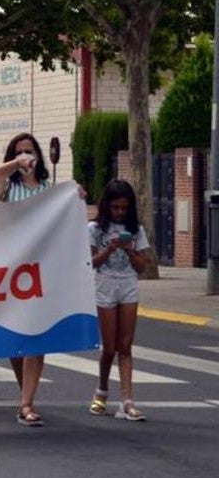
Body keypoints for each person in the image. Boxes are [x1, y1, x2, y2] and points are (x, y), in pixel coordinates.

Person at [0, 132, 52, 427]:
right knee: (14, 342)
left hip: (39, 270)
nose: (26, 156)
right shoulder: (7, 188)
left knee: (35, 338)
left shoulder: (48, 191)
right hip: (11, 271)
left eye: (29, 151)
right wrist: (15, 163)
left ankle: (27, 403)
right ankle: (24, 389)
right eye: (19, 152)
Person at [88, 180, 151, 421]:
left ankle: (127, 400)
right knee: (110, 347)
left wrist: (129, 250)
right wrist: (109, 249)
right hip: (105, 284)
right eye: (115, 207)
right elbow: (91, 262)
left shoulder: (136, 230)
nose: (120, 212)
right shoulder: (94, 229)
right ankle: (101, 389)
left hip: (127, 284)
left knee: (125, 345)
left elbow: (142, 266)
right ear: (107, 206)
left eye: (124, 208)